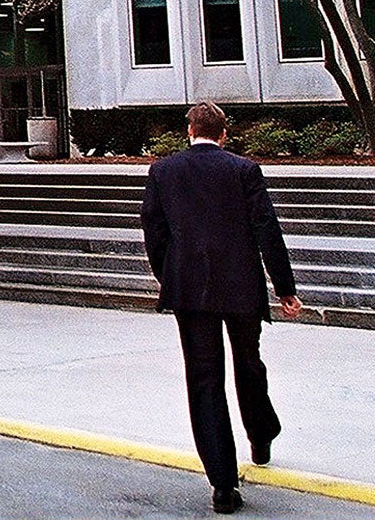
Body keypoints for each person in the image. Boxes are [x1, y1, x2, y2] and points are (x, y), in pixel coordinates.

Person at [141, 102, 303, 515]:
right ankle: (261, 432)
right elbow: (266, 226)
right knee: (249, 362)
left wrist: (170, 276)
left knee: (204, 378)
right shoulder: (244, 170)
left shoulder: (163, 172)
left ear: (189, 130)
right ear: (224, 133)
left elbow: (154, 231)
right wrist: (284, 287)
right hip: (242, 285)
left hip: (189, 290)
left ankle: (223, 482)